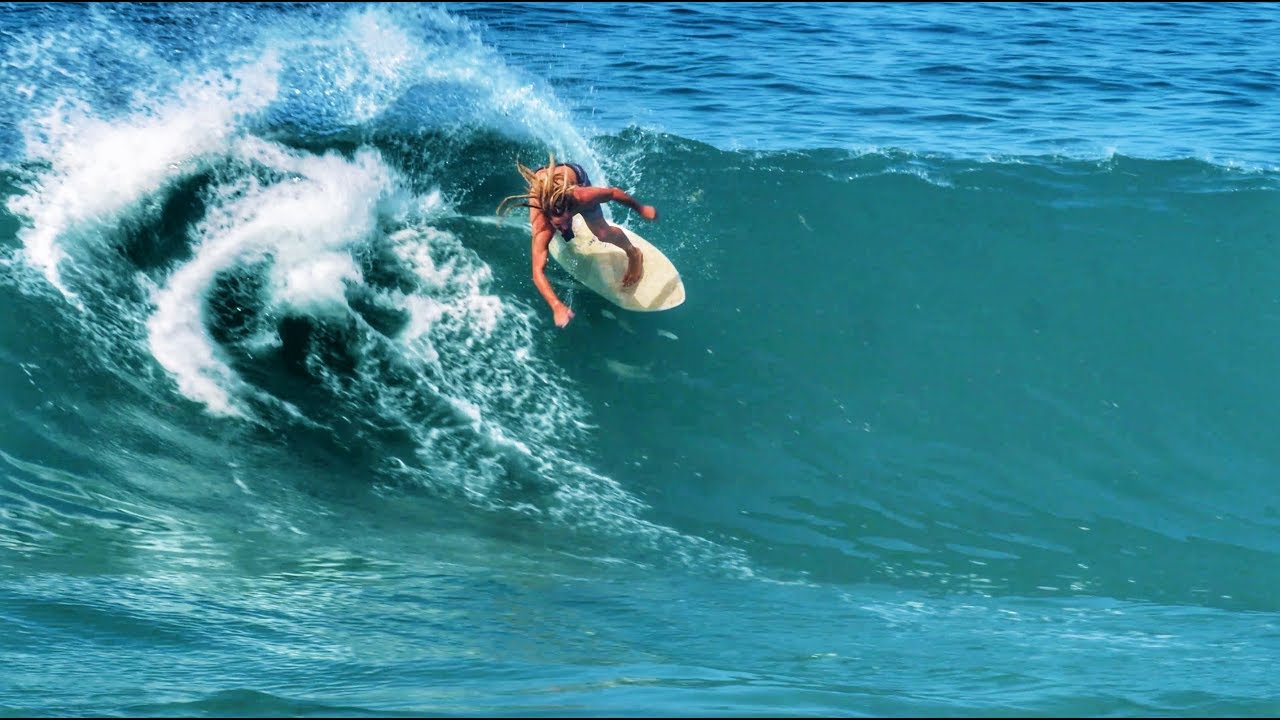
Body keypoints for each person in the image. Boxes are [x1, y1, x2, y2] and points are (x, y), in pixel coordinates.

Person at [497, 154, 658, 328]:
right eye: (559, 223)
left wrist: (641, 209)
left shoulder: (581, 196)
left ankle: (634, 254)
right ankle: (560, 226)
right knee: (550, 236)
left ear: (572, 209)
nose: (566, 225)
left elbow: (613, 193)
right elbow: (537, 272)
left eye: (568, 219)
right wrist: (556, 306)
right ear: (548, 218)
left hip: (573, 174)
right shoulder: (542, 224)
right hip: (542, 184)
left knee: (603, 233)